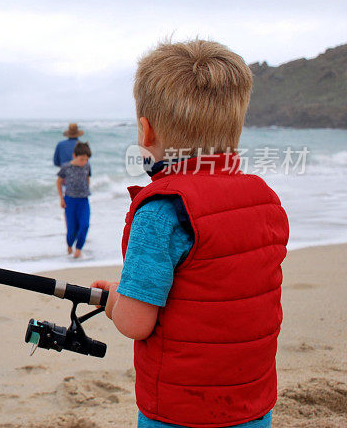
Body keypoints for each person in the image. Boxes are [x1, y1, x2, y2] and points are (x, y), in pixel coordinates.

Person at [91, 40, 288, 428]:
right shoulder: (264, 198)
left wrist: (116, 298)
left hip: (179, 411)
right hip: (253, 403)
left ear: (146, 131)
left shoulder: (163, 210)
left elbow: (136, 322)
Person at [56, 141, 91, 258]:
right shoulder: (66, 167)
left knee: (84, 225)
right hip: (70, 201)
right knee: (72, 230)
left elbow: (87, 178)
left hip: (84, 200)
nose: (84, 162)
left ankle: (79, 249)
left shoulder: (87, 165)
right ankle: (69, 245)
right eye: (82, 159)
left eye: (86, 159)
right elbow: (59, 182)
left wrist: (87, 189)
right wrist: (61, 198)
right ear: (74, 156)